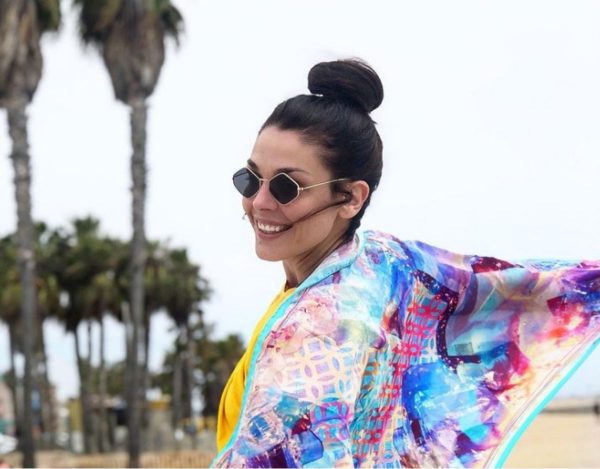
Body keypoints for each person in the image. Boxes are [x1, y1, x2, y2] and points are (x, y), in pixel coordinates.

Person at [212, 58, 600, 468]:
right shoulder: (382, 262)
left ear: (351, 198)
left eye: (287, 187)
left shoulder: (315, 327)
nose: (259, 202)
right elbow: (496, 285)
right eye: (249, 179)